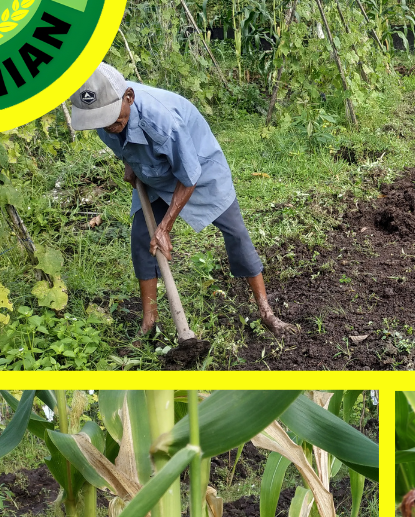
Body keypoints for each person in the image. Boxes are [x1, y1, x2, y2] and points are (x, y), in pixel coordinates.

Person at [63, 63, 290, 338]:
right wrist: (129, 161)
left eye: (114, 118)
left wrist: (165, 227)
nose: (109, 126)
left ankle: (266, 312)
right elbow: (121, 140)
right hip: (153, 173)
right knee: (140, 238)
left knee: (236, 233)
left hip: (199, 169)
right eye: (101, 120)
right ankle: (149, 322)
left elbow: (189, 174)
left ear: (129, 97)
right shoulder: (103, 120)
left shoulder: (161, 120)